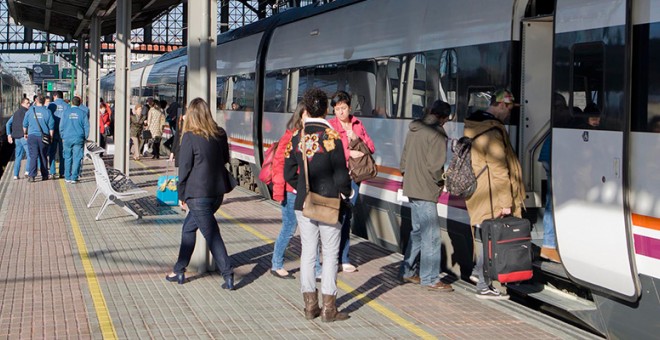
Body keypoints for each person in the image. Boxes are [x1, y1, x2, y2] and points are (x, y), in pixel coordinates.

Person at [284, 88, 352, 322]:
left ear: (306, 108)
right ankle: (329, 309)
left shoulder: (296, 137)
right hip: (329, 203)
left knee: (308, 253)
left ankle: (309, 306)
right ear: (325, 109)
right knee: (331, 254)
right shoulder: (332, 137)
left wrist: (303, 187)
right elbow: (342, 174)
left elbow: (288, 172)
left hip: (304, 203)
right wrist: (345, 193)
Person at [165, 98, 235, 290]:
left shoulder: (189, 136)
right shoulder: (220, 134)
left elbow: (184, 168)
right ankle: (179, 269)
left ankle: (228, 273)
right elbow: (225, 159)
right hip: (217, 193)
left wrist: (181, 195)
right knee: (188, 228)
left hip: (198, 195)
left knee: (212, 234)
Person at [464, 89, 525, 299]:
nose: (509, 113)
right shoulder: (491, 132)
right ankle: (483, 285)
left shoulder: (477, 126)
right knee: (492, 239)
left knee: (486, 237)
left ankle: (477, 274)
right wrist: (506, 202)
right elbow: (499, 171)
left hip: (482, 191)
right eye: (508, 108)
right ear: (500, 105)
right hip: (491, 195)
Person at [398, 100, 454, 292]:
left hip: (411, 186)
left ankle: (407, 271)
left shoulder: (414, 128)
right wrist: (440, 182)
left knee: (417, 232)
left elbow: (403, 161)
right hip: (425, 189)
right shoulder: (437, 134)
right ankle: (430, 278)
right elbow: (434, 166)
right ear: (444, 118)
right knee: (431, 235)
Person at [327, 90, 375, 273]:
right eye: (337, 109)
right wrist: (349, 153)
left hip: (355, 177)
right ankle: (333, 255)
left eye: (343, 108)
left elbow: (371, 147)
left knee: (347, 216)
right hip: (337, 175)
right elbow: (329, 150)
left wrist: (357, 138)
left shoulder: (357, 124)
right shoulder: (330, 126)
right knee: (335, 216)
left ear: (349, 107)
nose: (340, 112)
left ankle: (344, 258)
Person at [270, 103, 306, 279]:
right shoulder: (290, 137)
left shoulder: (308, 136)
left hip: (302, 189)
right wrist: (279, 191)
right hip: (291, 190)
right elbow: (279, 165)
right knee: (289, 227)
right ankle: (277, 264)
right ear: (301, 116)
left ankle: (314, 267)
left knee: (308, 230)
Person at [538, 94, 567, 263]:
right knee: (555, 201)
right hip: (557, 157)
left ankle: (550, 245)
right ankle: (549, 245)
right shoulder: (566, 116)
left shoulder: (554, 116)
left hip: (548, 155)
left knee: (552, 199)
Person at [22, 95, 54, 182]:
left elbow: (25, 125)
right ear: (44, 101)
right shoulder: (48, 112)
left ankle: (32, 176)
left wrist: (25, 133)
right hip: (43, 137)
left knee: (33, 156)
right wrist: (50, 137)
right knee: (43, 156)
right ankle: (45, 175)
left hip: (32, 136)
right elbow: (51, 127)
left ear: (36, 100)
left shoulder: (30, 111)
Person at [59, 96, 89, 183]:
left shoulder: (65, 113)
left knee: (67, 157)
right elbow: (86, 126)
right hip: (78, 138)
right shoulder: (83, 113)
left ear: (71, 103)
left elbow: (61, 126)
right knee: (77, 158)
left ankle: (67, 177)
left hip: (67, 138)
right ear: (79, 103)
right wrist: (85, 137)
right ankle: (74, 177)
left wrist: (62, 136)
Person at [5, 97, 31, 179]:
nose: (29, 104)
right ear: (22, 104)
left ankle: (15, 175)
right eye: (27, 103)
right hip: (24, 137)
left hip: (16, 138)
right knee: (30, 154)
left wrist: (9, 135)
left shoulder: (15, 113)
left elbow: (7, 124)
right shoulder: (28, 113)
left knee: (18, 157)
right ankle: (27, 171)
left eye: (29, 103)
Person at [48, 91, 70, 179]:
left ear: (55, 96)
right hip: (63, 133)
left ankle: (52, 172)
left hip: (52, 132)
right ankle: (62, 172)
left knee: (52, 152)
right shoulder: (67, 106)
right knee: (62, 153)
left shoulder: (51, 105)